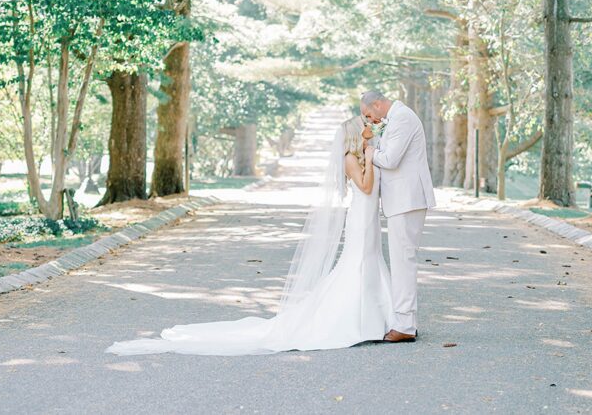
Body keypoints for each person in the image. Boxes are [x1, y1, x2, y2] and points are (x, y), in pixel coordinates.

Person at [106, 115, 395, 356]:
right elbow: (366, 187)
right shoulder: (349, 158)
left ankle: (380, 318)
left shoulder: (361, 155)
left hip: (369, 219)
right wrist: (370, 157)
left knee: (371, 261)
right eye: (364, 128)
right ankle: (357, 322)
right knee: (357, 265)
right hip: (360, 219)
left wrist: (373, 156)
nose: (368, 129)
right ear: (357, 136)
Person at [360, 90, 436, 343]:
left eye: (370, 114)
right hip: (402, 200)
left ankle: (404, 325)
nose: (370, 120)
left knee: (404, 261)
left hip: (407, 198)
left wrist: (370, 152)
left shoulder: (402, 118)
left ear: (379, 104)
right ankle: (405, 321)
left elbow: (391, 160)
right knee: (402, 259)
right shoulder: (395, 118)